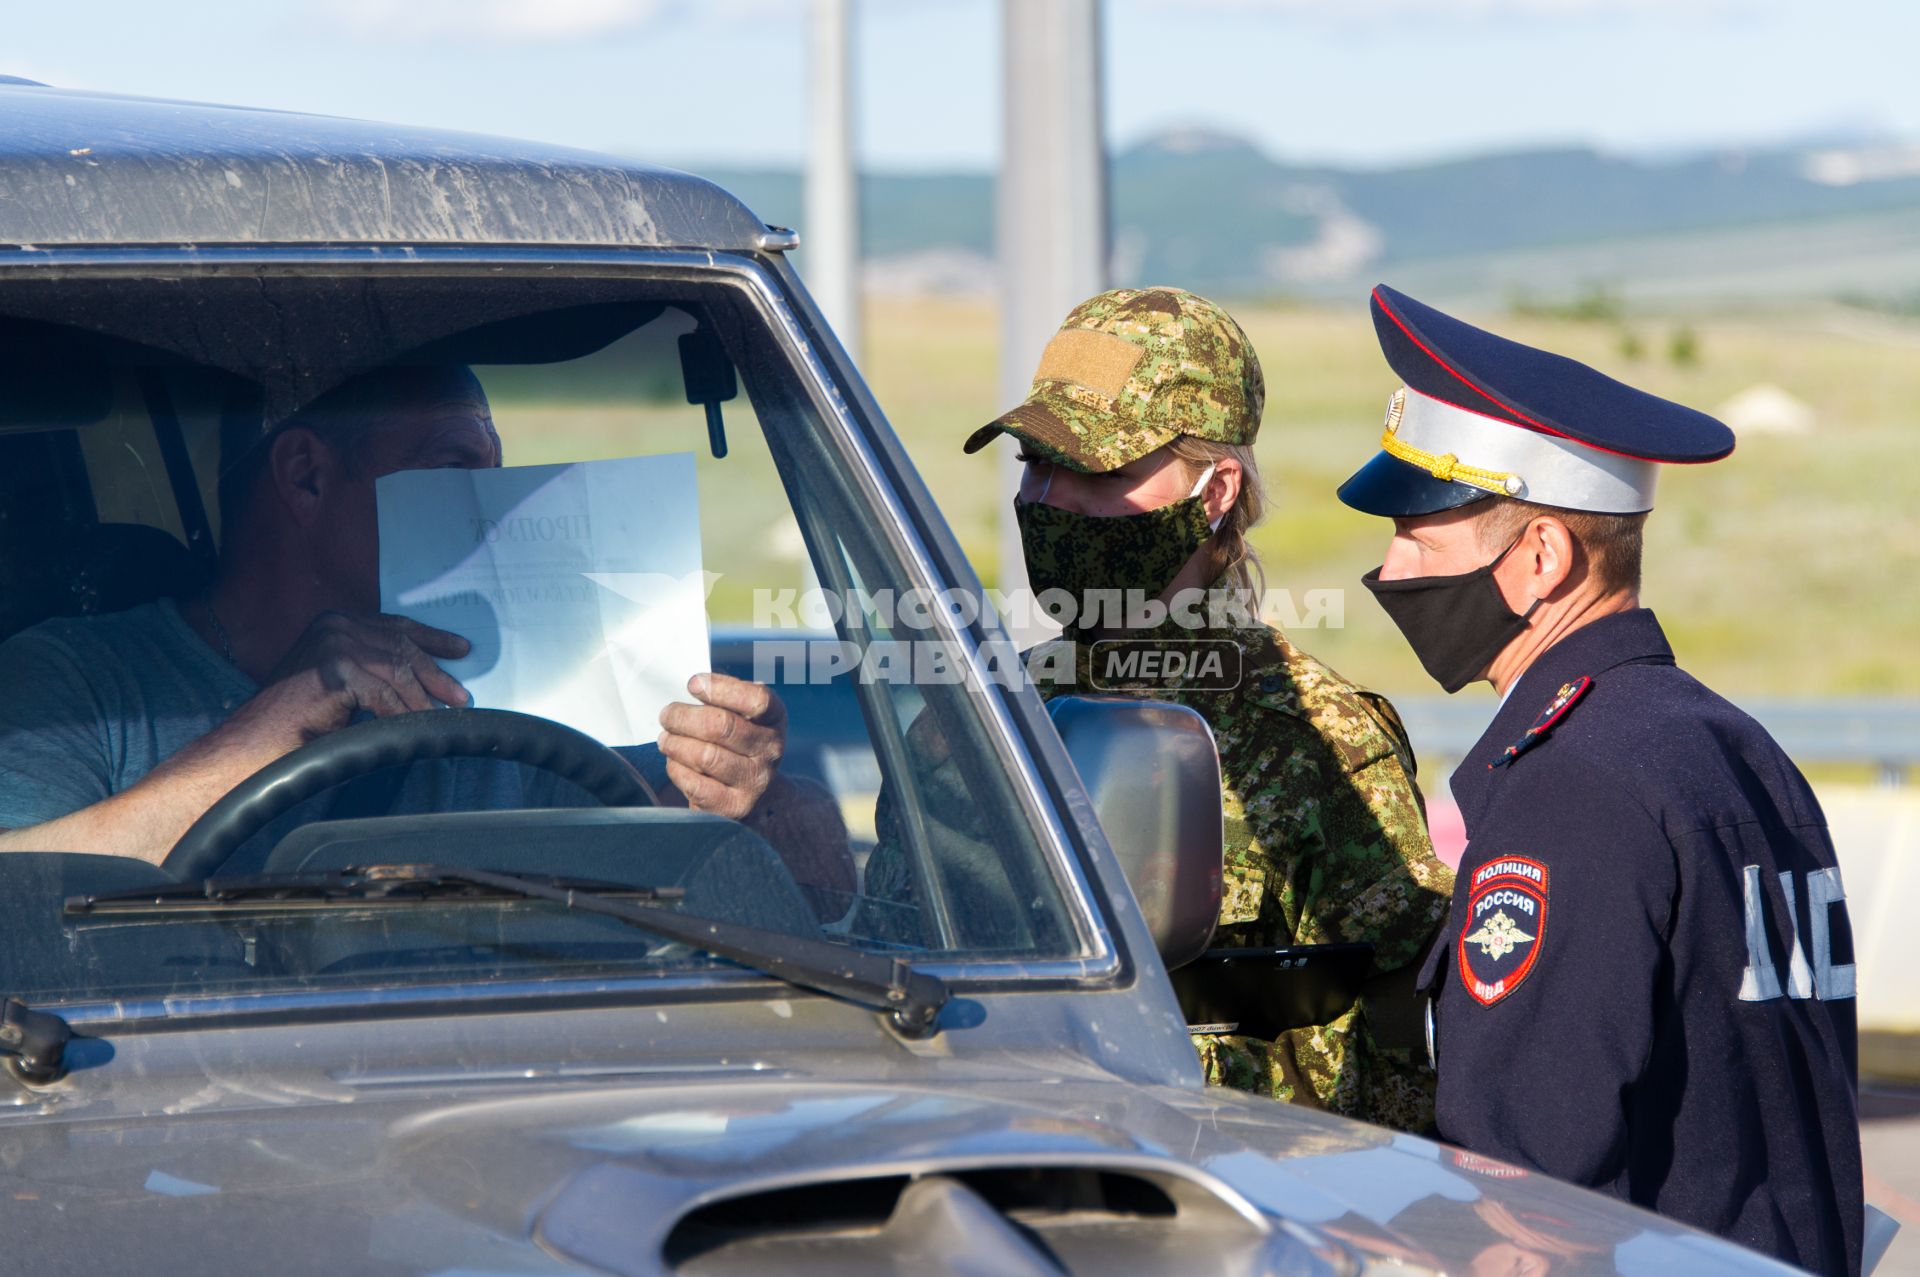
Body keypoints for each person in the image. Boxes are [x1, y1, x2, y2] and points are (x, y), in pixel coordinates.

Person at [1336, 284, 1861, 1275]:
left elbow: (1524, 1196)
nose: (1392, 570)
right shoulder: (1736, 749)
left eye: (1419, 534)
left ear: (1540, 556)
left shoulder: (1571, 788)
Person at [867, 286, 1454, 1132]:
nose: (1044, 499)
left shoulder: (1314, 742)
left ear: (1215, 492)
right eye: (1035, 462)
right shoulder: (976, 723)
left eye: (1093, 468)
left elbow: (1398, 1065)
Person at [0, 364, 792, 866]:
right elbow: (18, 898)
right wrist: (269, 723)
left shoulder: (518, 687)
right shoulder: (76, 681)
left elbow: (767, 889)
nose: (493, 509)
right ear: (306, 477)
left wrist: (719, 798)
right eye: (456, 468)